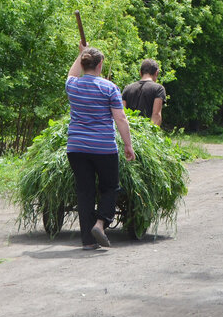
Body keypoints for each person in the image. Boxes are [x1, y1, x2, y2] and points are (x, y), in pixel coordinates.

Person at [66, 42, 135, 250]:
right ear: (100, 64)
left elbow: (71, 73)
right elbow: (120, 119)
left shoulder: (73, 85)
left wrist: (80, 54)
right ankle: (100, 223)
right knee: (110, 187)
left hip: (76, 148)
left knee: (85, 192)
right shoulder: (109, 87)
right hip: (103, 148)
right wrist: (128, 145)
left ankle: (87, 242)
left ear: (83, 63)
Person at [121, 59, 167, 126]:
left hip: (129, 130)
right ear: (156, 73)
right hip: (145, 132)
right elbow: (156, 114)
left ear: (140, 73)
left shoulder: (127, 88)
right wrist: (151, 133)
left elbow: (122, 113)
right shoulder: (159, 89)